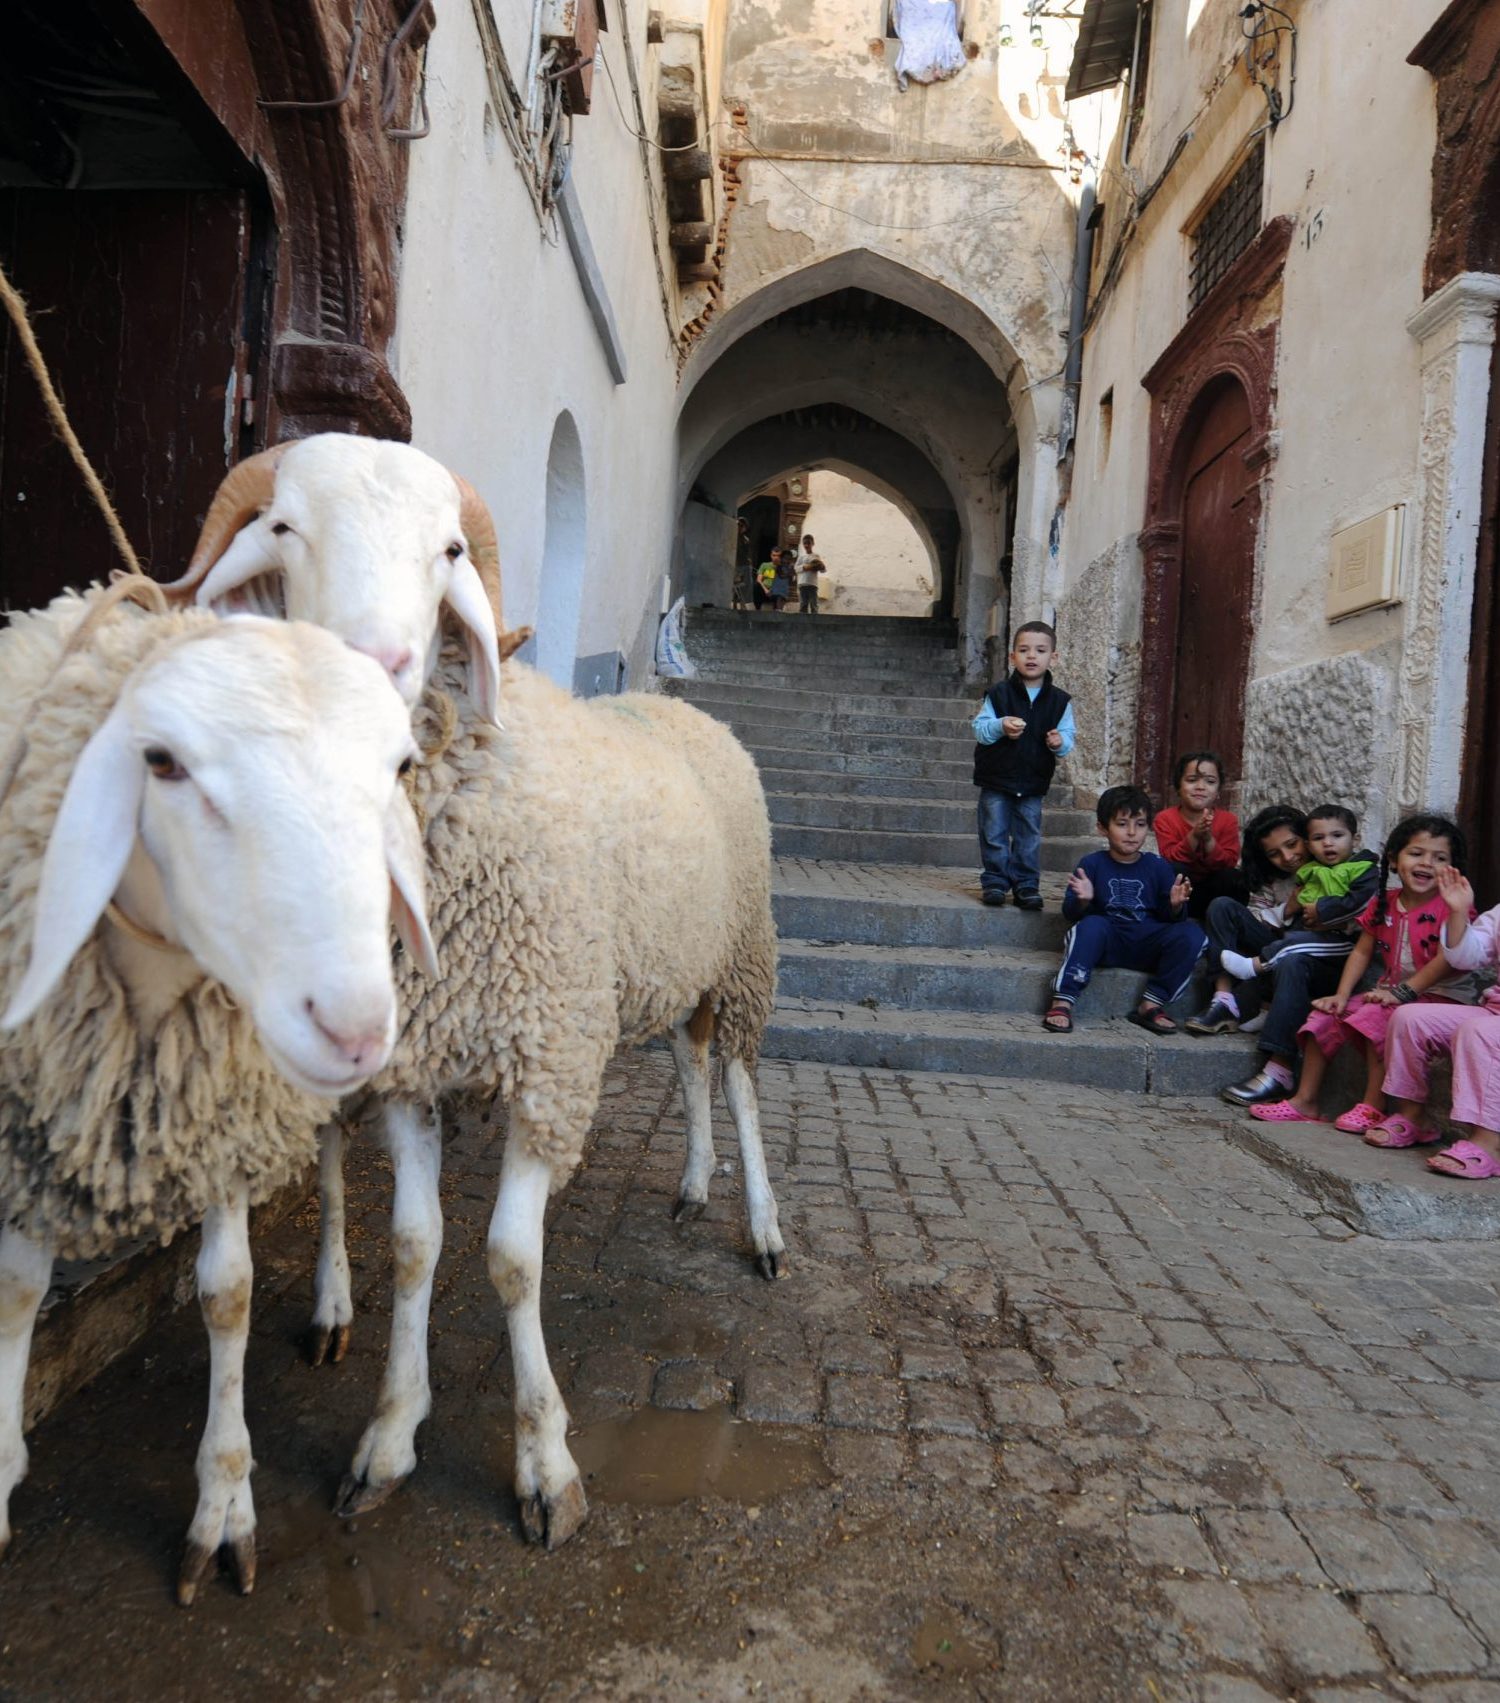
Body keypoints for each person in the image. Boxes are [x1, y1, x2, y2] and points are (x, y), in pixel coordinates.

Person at [1245, 815, 1477, 1127]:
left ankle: (1372, 1106)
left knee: (1372, 1019)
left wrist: (1403, 993)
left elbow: (1449, 959)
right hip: (1391, 992)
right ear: (1394, 859)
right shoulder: (1386, 901)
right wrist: (1340, 995)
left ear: (1452, 868)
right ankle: (1306, 1101)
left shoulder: (1453, 908)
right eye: (1416, 853)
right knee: (1323, 1017)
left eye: (1439, 858)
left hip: (1438, 999)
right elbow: (1363, 949)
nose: (1426, 863)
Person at [1218, 803, 1383, 1105]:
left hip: (1341, 957)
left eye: (1293, 844)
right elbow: (1277, 915)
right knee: (1289, 952)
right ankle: (1273, 1061)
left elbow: (1361, 906)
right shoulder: (1308, 873)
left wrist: (1321, 912)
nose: (1288, 857)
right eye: (1319, 838)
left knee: (1292, 953)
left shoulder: (1360, 869)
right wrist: (1292, 910)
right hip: (1303, 947)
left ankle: (1256, 972)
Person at [1043, 784, 1204, 1034]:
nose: (1131, 832)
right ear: (1102, 828)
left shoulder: (1158, 866)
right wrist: (1084, 900)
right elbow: (1071, 914)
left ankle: (1152, 1003)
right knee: (1091, 926)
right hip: (1109, 942)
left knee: (1193, 934)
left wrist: (1174, 906)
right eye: (1122, 824)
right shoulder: (1092, 864)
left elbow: (1170, 919)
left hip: (1147, 942)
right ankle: (1063, 999)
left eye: (1139, 824)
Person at [1378, 861, 1500, 1177]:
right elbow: (1465, 956)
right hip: (1494, 1010)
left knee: (1479, 1031)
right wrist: (1458, 911)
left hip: (1489, 1024)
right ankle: (1414, 1117)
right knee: (1409, 1017)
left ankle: (1489, 1143)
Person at [972, 621, 1074, 911]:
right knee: (993, 831)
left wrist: (1059, 742)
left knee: (1029, 834)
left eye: (1040, 650)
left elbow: (1068, 736)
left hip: (1032, 780)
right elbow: (979, 729)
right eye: (1024, 650)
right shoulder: (999, 693)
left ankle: (1027, 884)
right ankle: (995, 880)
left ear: (1053, 657)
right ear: (1012, 657)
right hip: (996, 778)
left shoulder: (1060, 701)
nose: (1032, 656)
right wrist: (1000, 725)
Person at [1185, 804, 1309, 1036]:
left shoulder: (1328, 868)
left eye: (1292, 844)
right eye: (1274, 853)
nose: (1287, 857)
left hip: (1305, 953)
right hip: (1270, 941)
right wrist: (1287, 910)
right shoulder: (1271, 879)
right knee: (1222, 906)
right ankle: (1223, 999)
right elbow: (1255, 917)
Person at [1153, 751, 1243, 919]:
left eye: (1210, 781)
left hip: (1214, 894)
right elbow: (1171, 859)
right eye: (1192, 780)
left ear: (1218, 791)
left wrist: (1208, 839)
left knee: (1233, 877)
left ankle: (1225, 922)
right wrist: (1194, 836)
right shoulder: (1165, 819)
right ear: (1178, 787)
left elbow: (1228, 862)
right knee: (1173, 870)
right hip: (1181, 895)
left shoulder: (1228, 820)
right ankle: (1176, 920)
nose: (1200, 787)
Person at [794, 534, 826, 615]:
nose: (807, 545)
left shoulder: (816, 556)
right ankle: (802, 624)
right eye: (805, 543)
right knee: (803, 605)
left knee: (814, 605)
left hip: (813, 584)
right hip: (802, 584)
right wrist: (805, 567)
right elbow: (796, 569)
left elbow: (823, 570)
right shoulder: (801, 557)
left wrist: (821, 566)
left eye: (809, 543)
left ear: (813, 543)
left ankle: (815, 623)